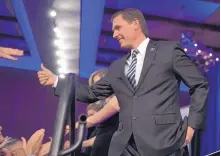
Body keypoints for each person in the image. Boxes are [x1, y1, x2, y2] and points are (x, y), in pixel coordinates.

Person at [37, 8, 209, 156]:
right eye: (113, 30)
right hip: (124, 147)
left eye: (118, 27)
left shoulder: (169, 51)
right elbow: (90, 93)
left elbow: (200, 85)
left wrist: (191, 126)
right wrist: (57, 81)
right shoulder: (117, 66)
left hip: (164, 143)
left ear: (135, 23)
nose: (114, 34)